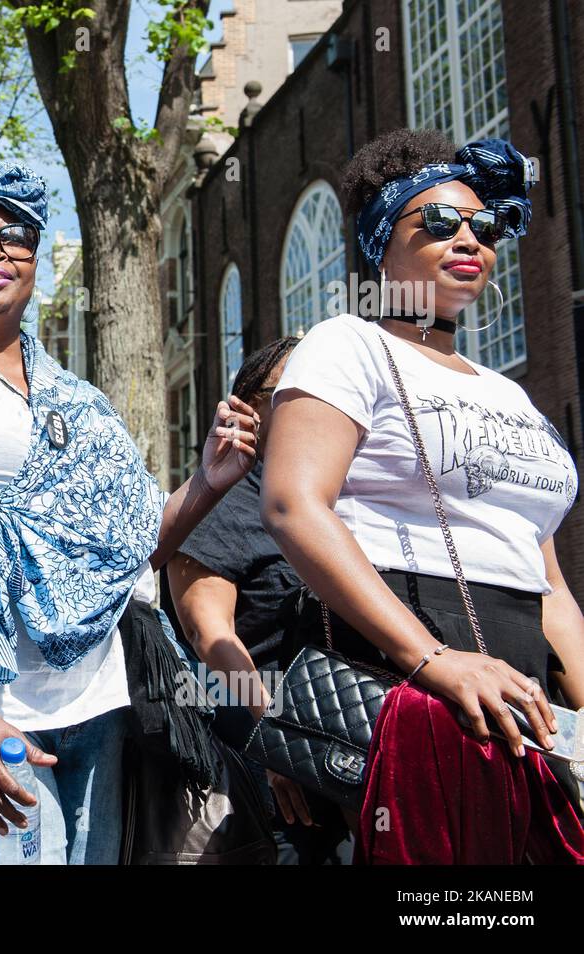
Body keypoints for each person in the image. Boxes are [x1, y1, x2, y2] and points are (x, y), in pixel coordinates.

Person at [0, 161, 259, 864]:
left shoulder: (78, 399)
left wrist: (206, 485)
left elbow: (127, 550)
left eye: (18, 236)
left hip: (92, 701)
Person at [261, 130, 584, 853]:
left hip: (520, 675)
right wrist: (431, 660)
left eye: (486, 226)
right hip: (405, 658)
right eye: (437, 222)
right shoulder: (348, 344)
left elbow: (547, 579)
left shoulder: (512, 393)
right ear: (382, 239)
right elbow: (292, 505)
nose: (469, 238)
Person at [166, 339, 352, 864]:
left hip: (353, 744)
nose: (317, 403)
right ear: (249, 409)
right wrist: (279, 740)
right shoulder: (225, 502)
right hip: (267, 758)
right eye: (294, 391)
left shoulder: (343, 498)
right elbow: (208, 634)